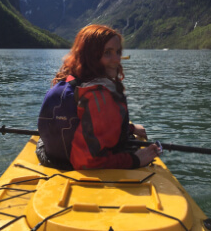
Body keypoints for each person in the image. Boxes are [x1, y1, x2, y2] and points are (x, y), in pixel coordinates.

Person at [37, 24, 160, 170]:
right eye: (107, 53)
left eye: (118, 52)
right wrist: (135, 159)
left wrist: (129, 128)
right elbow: (87, 161)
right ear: (90, 56)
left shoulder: (67, 81)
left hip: (50, 157)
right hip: (81, 163)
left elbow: (83, 121)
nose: (116, 59)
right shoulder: (100, 96)